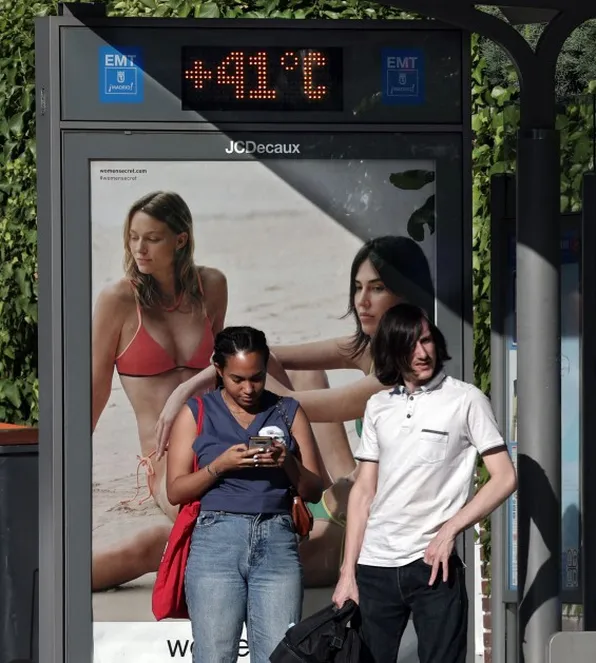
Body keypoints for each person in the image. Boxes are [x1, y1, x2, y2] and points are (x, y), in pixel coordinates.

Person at [155, 235, 435, 586]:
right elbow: (269, 353)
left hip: (361, 527)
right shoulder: (371, 348)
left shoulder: (396, 374)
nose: (362, 302)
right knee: (302, 369)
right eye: (358, 287)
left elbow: (292, 400)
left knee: (164, 539)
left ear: (406, 293)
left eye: (377, 289)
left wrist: (233, 375)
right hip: (343, 495)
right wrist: (187, 387)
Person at [331, 303, 517, 663]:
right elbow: (364, 491)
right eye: (411, 344)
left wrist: (450, 531)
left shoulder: (466, 400)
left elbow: (505, 477)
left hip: (434, 565)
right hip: (375, 567)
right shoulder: (378, 406)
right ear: (392, 350)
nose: (422, 352)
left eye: (428, 340)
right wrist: (347, 572)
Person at [91, 190, 229, 592]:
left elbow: (225, 374)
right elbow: (95, 393)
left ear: (180, 239)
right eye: (133, 237)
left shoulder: (212, 286)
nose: (139, 248)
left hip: (223, 431)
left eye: (151, 238)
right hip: (169, 456)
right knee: (212, 516)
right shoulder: (119, 300)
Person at [166, 325, 325, 662]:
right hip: (215, 544)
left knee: (278, 656)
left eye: (257, 377)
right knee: (214, 655)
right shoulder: (196, 412)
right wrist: (219, 466)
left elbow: (314, 488)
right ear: (219, 370)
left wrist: (288, 464)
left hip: (277, 540)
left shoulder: (288, 410)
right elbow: (175, 490)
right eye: (238, 379)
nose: (249, 388)